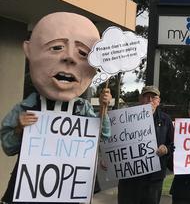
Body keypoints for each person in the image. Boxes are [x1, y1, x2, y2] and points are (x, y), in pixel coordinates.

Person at [0, 12, 112, 203]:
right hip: (28, 190)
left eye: (83, 53)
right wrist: (19, 129)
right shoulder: (26, 107)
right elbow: (8, 147)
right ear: (29, 51)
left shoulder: (82, 108)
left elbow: (103, 136)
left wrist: (103, 110)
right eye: (57, 47)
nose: (69, 58)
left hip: (68, 191)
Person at [118, 85, 174, 204]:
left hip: (153, 179)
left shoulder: (166, 120)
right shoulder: (125, 118)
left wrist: (166, 149)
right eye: (146, 97)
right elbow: (114, 141)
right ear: (140, 99)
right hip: (129, 178)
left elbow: (173, 144)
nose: (149, 100)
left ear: (158, 101)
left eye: (153, 97)